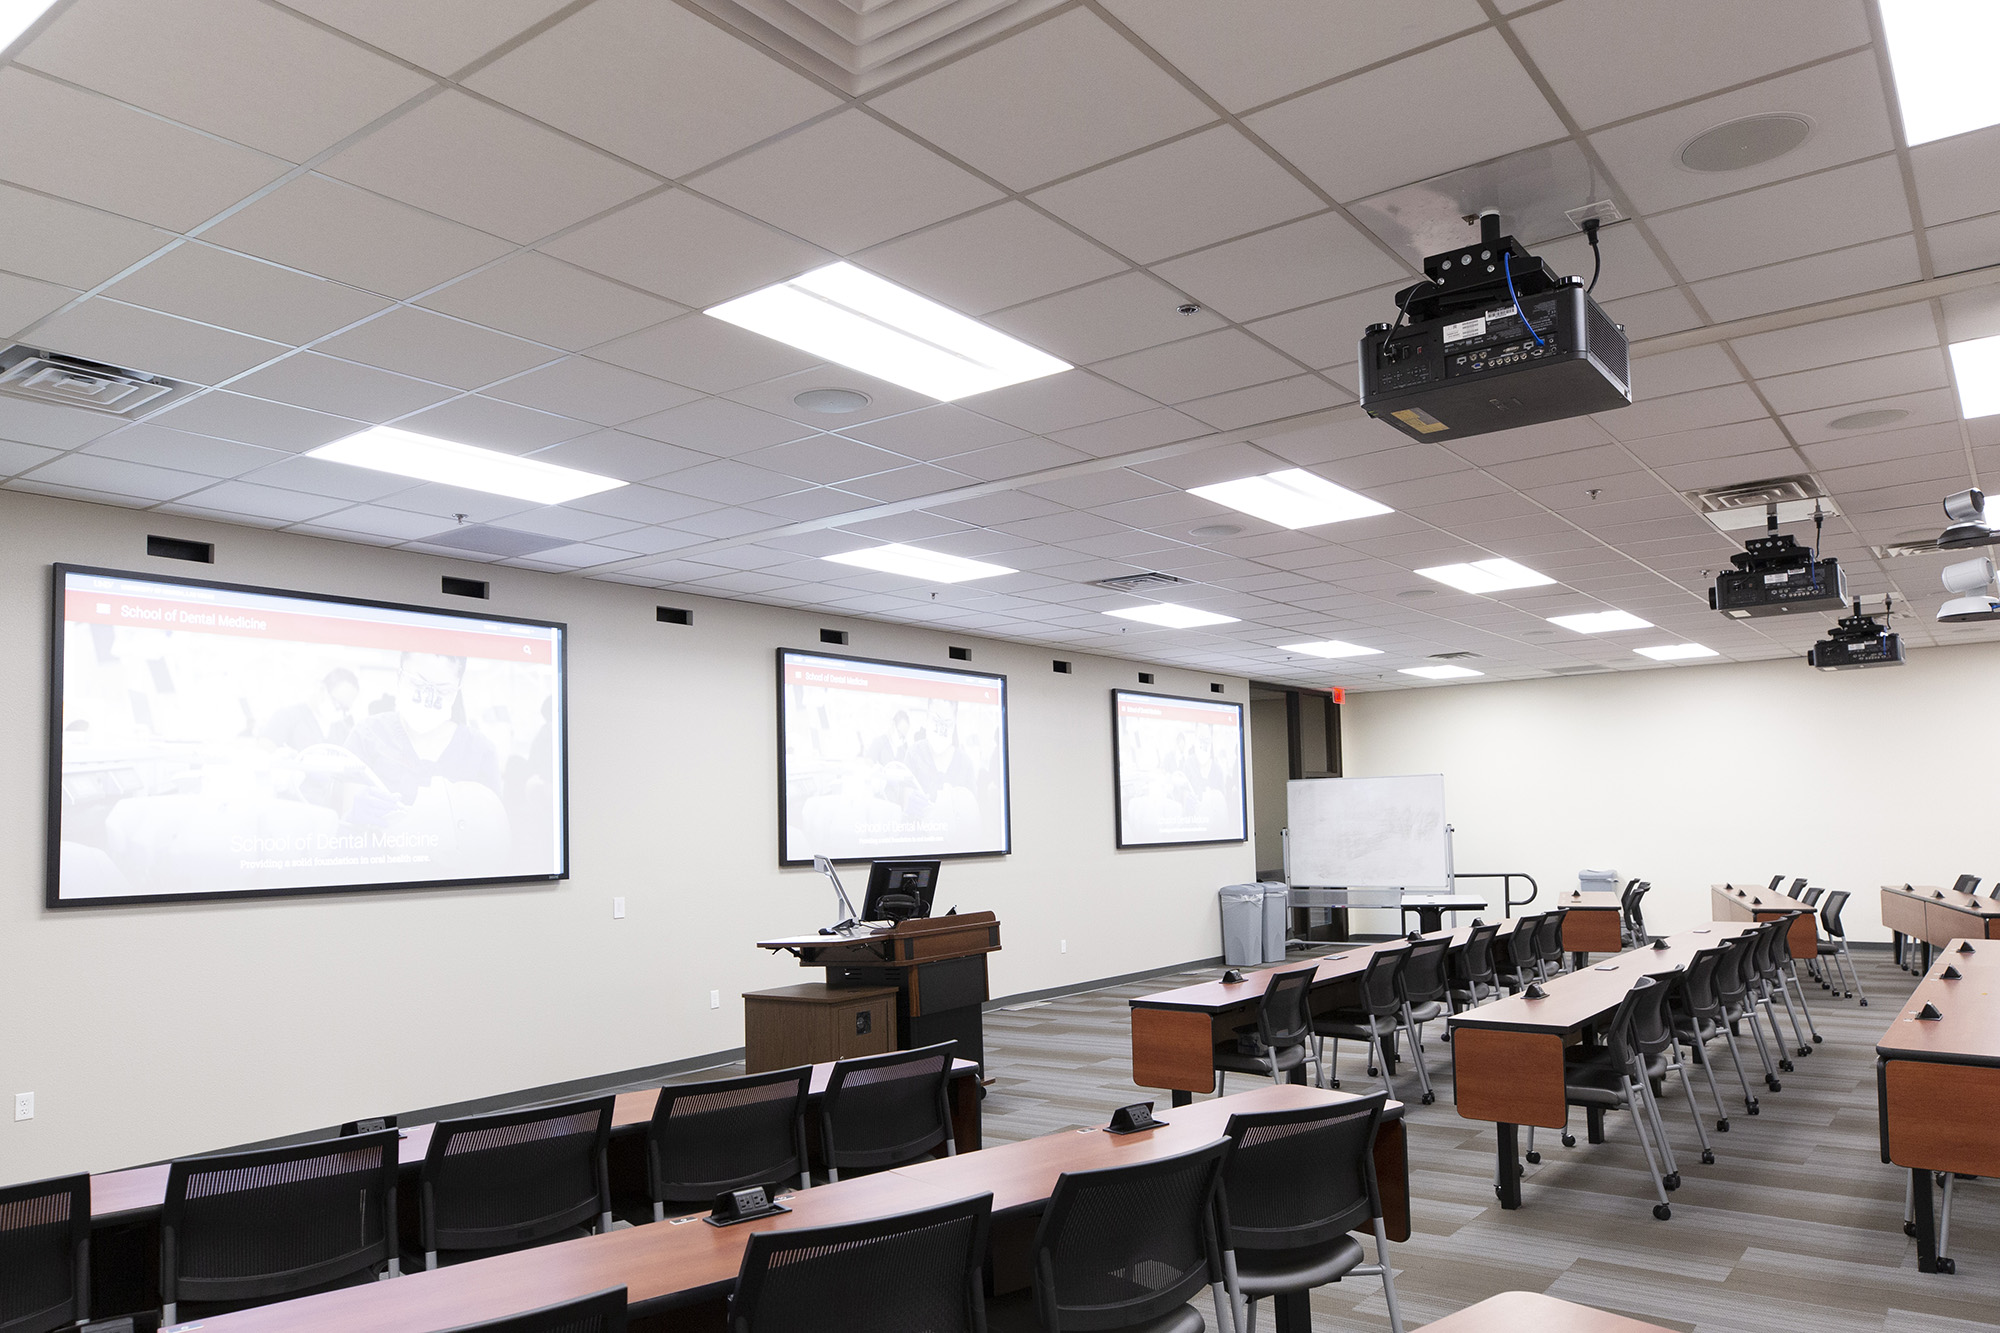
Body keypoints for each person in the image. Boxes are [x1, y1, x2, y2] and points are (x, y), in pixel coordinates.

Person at [343, 653, 501, 810]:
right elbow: (346, 814)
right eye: (418, 684)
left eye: (442, 690)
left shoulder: (480, 751)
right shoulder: (367, 735)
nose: (427, 699)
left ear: (456, 690)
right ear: (399, 676)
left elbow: (491, 828)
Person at [259, 668, 358, 752]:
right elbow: (264, 751)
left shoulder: (341, 730)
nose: (340, 712)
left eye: (345, 709)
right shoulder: (287, 717)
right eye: (337, 704)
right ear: (321, 690)